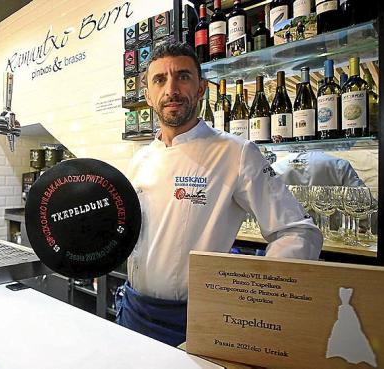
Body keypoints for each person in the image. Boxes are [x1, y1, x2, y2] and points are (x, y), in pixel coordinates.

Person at [118, 42, 323, 346]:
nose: (171, 89)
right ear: (147, 94)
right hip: (133, 313)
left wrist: (253, 302)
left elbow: (298, 232)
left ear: (201, 88)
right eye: (160, 80)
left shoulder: (236, 153)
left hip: (196, 322)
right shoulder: (139, 161)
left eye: (183, 77)